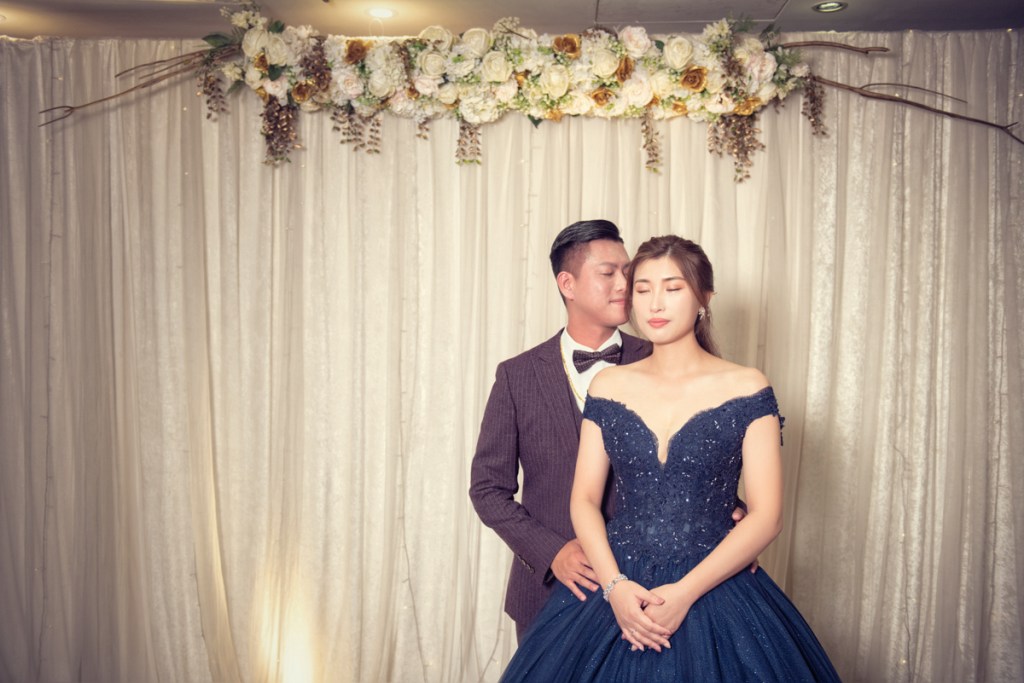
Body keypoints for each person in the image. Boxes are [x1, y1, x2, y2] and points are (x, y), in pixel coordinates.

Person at [500, 235, 840, 681]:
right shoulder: (609, 385)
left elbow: (767, 515)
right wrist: (615, 588)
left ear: (704, 297)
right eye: (642, 289)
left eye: (673, 288)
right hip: (617, 579)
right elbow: (583, 499)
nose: (655, 304)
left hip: (713, 585)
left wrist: (683, 594)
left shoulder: (748, 385)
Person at [470, 221, 750, 641]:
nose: (625, 284)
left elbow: (701, 446)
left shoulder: (665, 352)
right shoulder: (518, 376)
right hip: (553, 589)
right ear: (567, 284)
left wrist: (729, 515)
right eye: (608, 273)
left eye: (627, 272)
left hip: (658, 587)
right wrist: (552, 553)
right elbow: (488, 489)